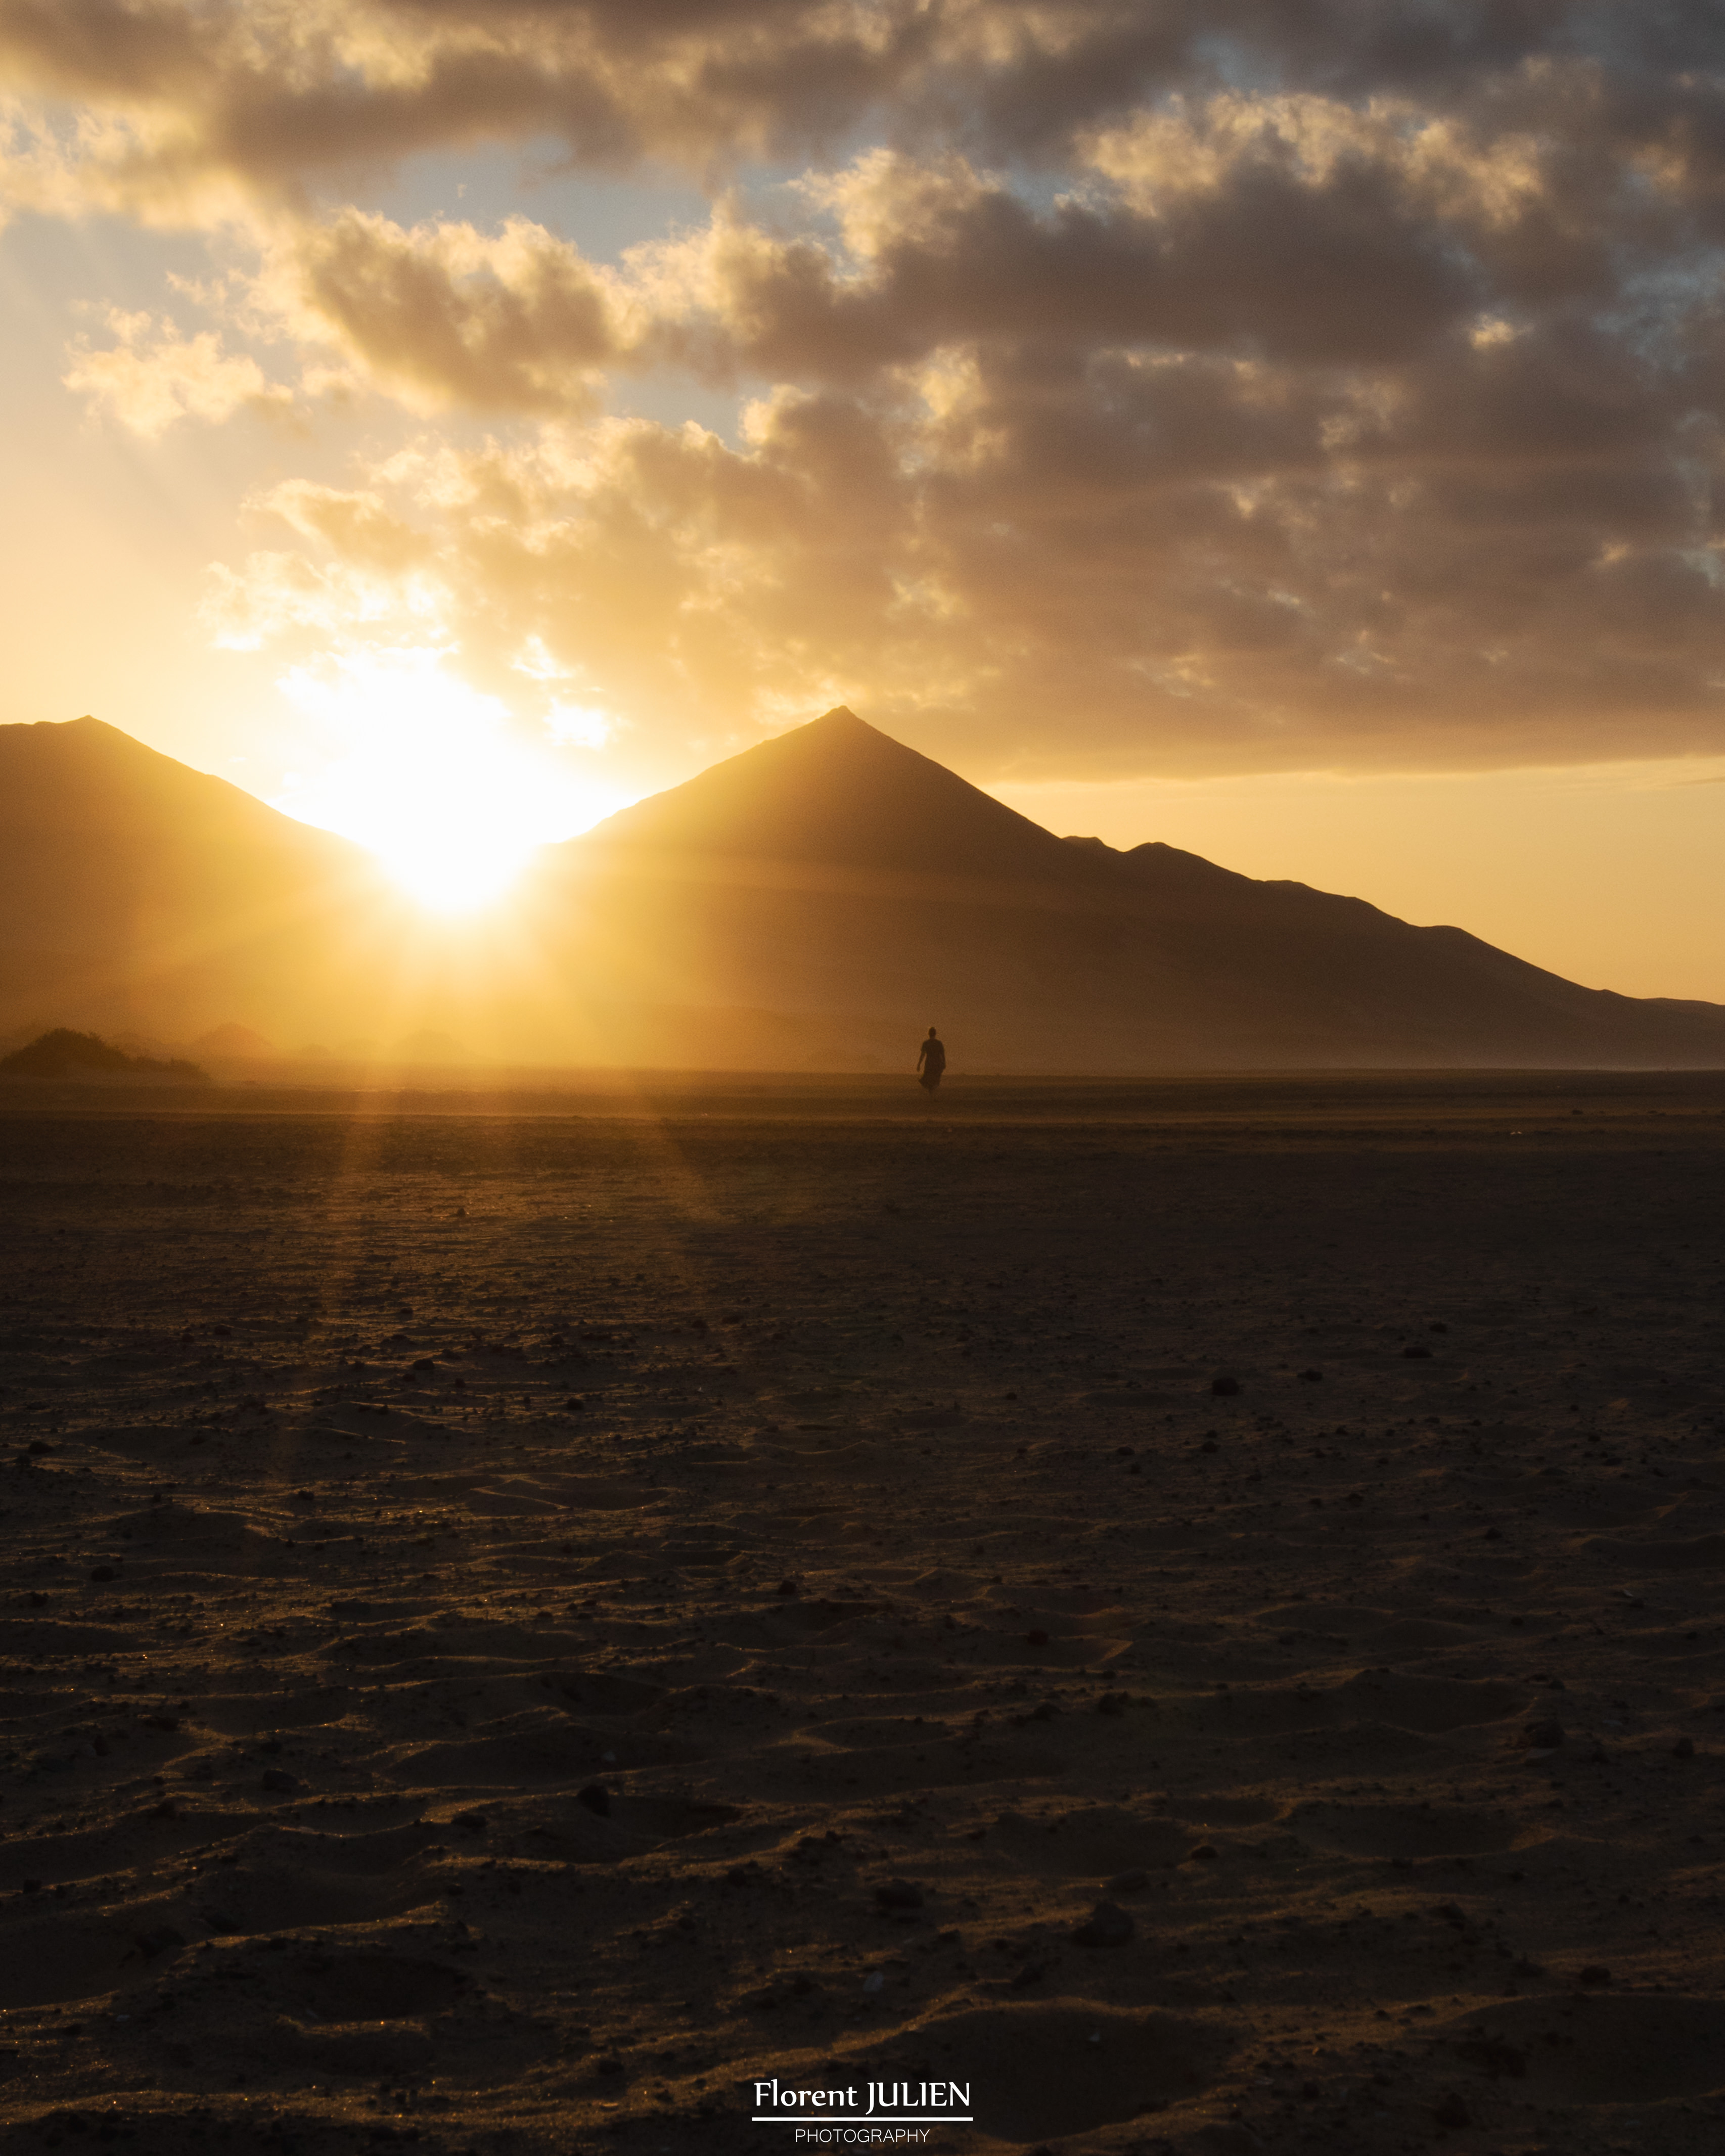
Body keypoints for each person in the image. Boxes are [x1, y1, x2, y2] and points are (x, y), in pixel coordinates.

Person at [916, 1026, 946, 1096]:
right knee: (935, 1079)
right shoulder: (939, 1043)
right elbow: (942, 1055)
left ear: (929, 1034)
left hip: (929, 1063)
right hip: (937, 1063)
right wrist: (944, 1063)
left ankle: (931, 1093)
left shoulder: (926, 1043)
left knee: (929, 1079)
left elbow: (923, 1055)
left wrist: (919, 1064)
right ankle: (932, 1093)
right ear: (935, 1034)